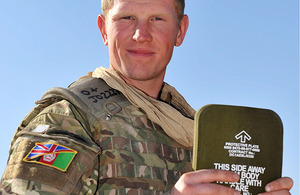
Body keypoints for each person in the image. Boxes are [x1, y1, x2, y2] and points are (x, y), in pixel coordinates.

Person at [1, 0, 293, 194]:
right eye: (127, 17)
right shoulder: (68, 119)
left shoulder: (199, 130)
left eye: (157, 18)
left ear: (180, 31)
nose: (142, 34)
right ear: (104, 29)